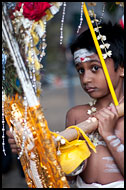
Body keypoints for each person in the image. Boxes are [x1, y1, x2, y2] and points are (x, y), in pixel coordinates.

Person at [6, 22, 124, 188]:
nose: (86, 78)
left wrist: (109, 135)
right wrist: (33, 150)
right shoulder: (77, 115)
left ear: (122, 68)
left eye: (95, 68)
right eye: (81, 70)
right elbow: (67, 178)